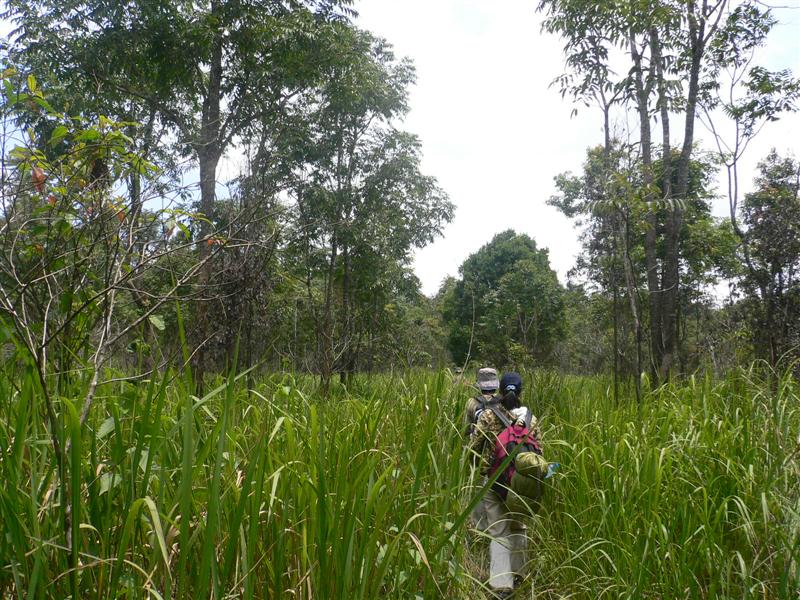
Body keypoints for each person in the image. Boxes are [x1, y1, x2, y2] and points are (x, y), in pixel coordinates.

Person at [468, 372, 540, 599]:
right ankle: (519, 574)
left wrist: (477, 467)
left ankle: (502, 585)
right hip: (521, 483)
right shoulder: (531, 418)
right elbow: (538, 452)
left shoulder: (489, 415)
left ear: (500, 390)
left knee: (498, 530)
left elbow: (474, 446)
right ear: (521, 391)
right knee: (518, 526)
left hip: (495, 481)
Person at [465, 367, 501, 532]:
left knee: (479, 495)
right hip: (501, 456)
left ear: (479, 384)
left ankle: (479, 531)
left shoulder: (472, 403)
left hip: (479, 459)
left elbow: (467, 430)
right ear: (496, 384)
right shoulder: (504, 402)